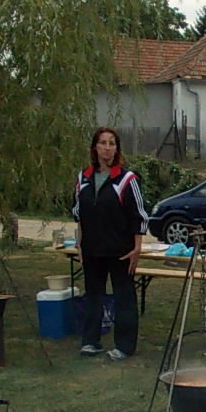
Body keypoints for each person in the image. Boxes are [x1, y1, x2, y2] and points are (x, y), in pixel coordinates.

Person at [73, 127, 149, 361]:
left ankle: (124, 346)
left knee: (123, 297)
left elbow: (139, 216)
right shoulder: (83, 178)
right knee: (93, 295)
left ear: (117, 149)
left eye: (112, 143)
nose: (107, 148)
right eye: (103, 143)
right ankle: (90, 341)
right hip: (92, 249)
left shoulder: (126, 180)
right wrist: (79, 244)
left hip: (120, 250)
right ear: (95, 147)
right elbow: (79, 214)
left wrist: (137, 248)